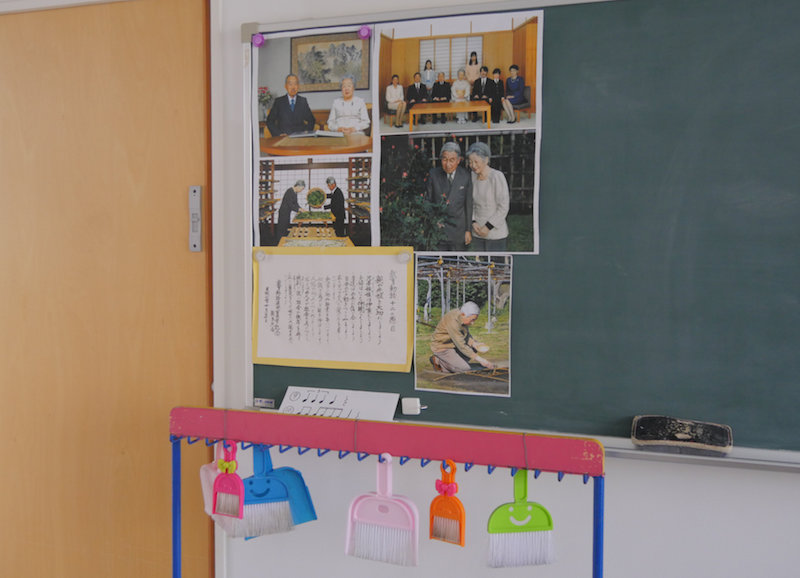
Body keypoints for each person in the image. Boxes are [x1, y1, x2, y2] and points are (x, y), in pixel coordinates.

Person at [426, 141, 472, 251]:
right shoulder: (433, 174)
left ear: (458, 160)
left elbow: (468, 204)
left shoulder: (465, 176)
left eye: (452, 160)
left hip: (458, 229)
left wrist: (468, 230)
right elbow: (427, 201)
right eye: (445, 159)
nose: (448, 164)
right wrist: (434, 221)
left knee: (457, 264)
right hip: (439, 228)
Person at [430, 301, 495, 373]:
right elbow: (461, 345)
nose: (473, 323)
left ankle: (454, 362)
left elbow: (465, 335)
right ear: (463, 314)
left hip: (454, 345)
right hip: (443, 347)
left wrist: (474, 344)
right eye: (472, 320)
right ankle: (440, 362)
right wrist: (481, 360)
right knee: (464, 369)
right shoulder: (453, 322)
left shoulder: (462, 316)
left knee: (474, 348)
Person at [467, 142, 509, 251]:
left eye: (476, 161)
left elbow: (503, 206)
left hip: (495, 233)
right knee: (480, 266)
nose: (473, 165)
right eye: (470, 162)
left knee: (496, 266)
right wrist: (473, 222)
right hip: (477, 232)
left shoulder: (497, 176)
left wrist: (488, 227)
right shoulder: (471, 176)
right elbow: (469, 202)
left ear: (486, 160)